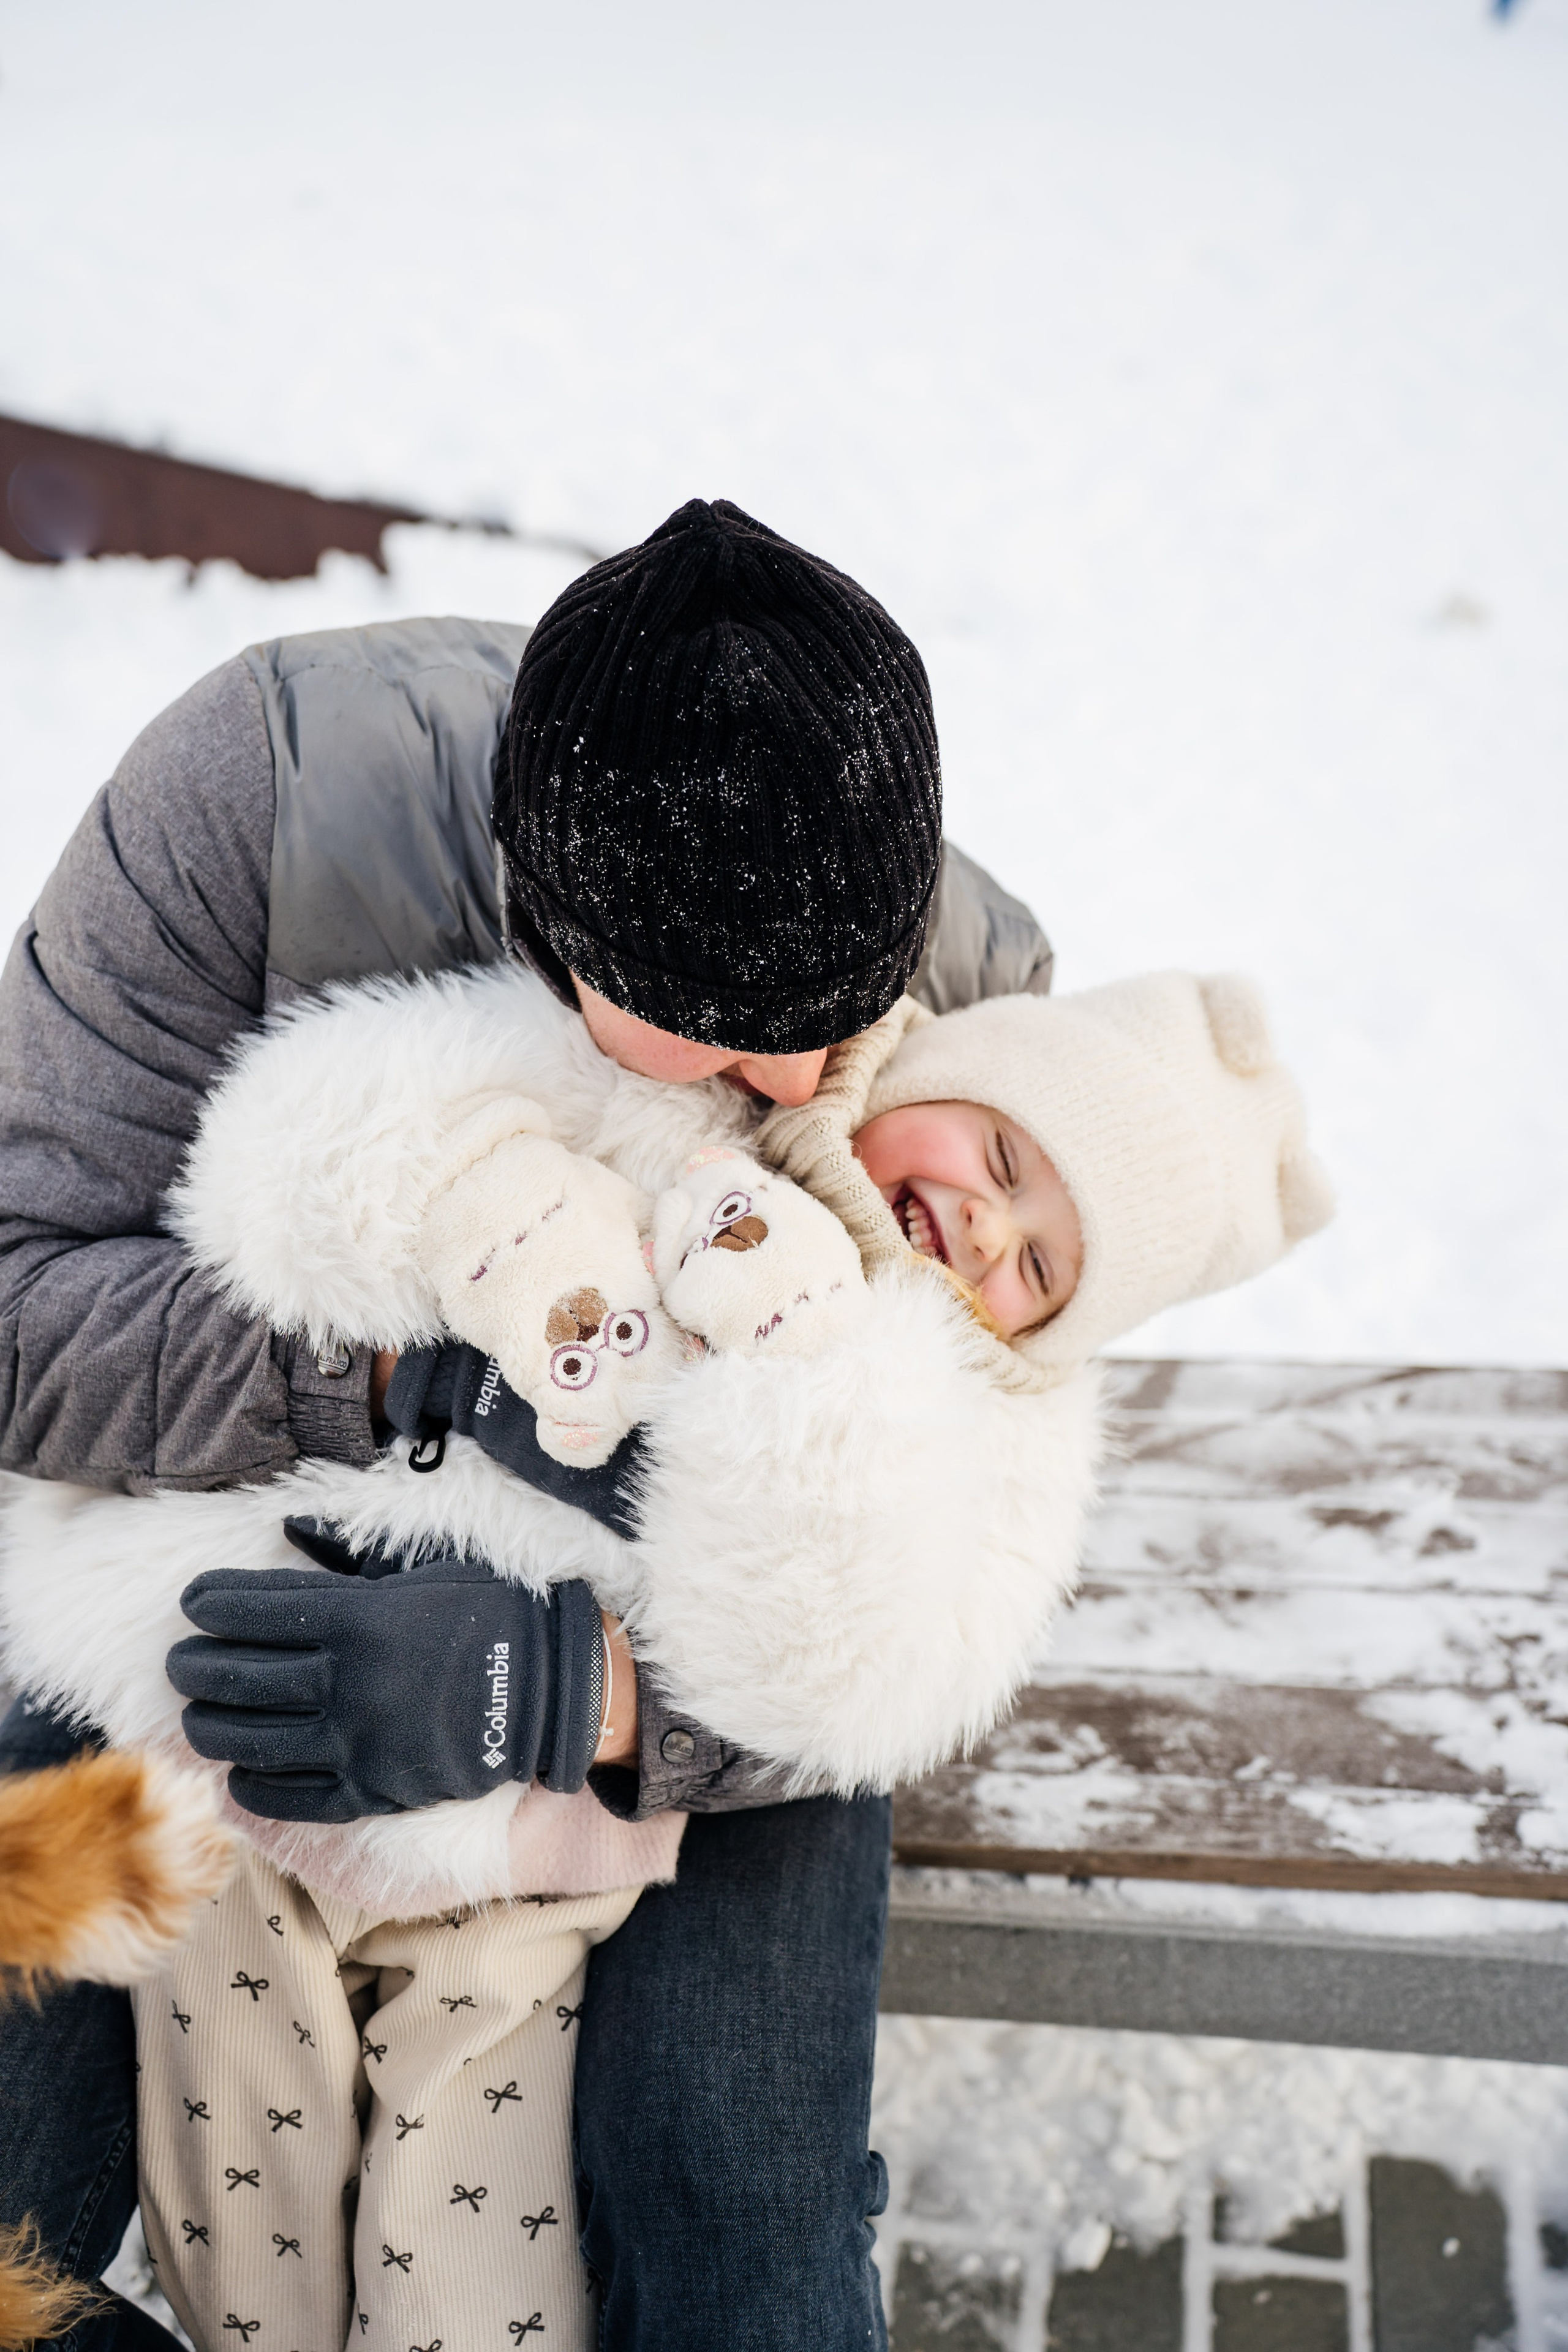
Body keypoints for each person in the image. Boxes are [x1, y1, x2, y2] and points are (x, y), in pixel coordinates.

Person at [0, 497, 1053, 2350]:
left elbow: (940, 1584)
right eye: (716, 1038)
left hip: (698, 1644)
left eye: (833, 1024)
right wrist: (405, 1383)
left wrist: (587, 1696)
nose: (793, 1085)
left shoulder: (978, 993)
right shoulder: (252, 804)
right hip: (185, 1546)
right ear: (555, 939)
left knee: (745, 2244)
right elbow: (20, 1308)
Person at [1, 940, 1330, 2350]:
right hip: (244, 1757)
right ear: (940, 1067)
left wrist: (575, 1661)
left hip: (521, 1864)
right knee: (249, 2245)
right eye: (999, 1157)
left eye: (1044, 1266)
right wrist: (469, 1302)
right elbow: (341, 1141)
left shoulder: (981, 1422)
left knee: (465, 2284)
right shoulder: (679, 1098)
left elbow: (879, 1677)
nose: (985, 1232)